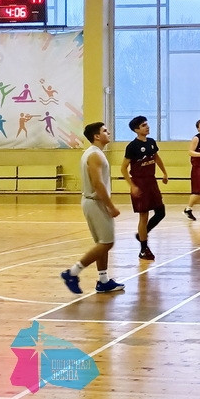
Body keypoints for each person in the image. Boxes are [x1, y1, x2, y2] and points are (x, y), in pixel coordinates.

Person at [61, 122, 124, 294]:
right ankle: (72, 273)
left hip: (92, 201)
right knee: (107, 243)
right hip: (96, 202)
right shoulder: (95, 155)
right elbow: (98, 184)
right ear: (97, 136)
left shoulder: (92, 153)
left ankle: (103, 281)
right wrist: (111, 206)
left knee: (102, 242)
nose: (108, 132)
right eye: (105, 131)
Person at [121, 115, 168, 261]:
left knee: (161, 212)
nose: (147, 127)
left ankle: (142, 233)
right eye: (143, 125)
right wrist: (132, 186)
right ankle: (143, 249)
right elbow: (123, 168)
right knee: (143, 216)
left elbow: (156, 158)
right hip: (139, 183)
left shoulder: (151, 142)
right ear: (136, 130)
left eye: (147, 124)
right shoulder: (132, 146)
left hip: (151, 181)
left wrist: (164, 173)